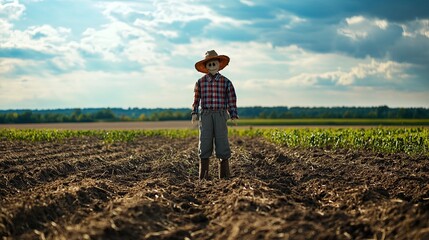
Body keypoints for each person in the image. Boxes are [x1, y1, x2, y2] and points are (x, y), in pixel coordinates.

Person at [192, 50, 238, 180]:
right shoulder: (200, 82)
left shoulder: (226, 82)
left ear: (219, 65)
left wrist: (233, 113)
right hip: (205, 114)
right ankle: (203, 176)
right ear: (206, 67)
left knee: (222, 141)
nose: (212, 66)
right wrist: (194, 112)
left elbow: (231, 99)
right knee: (205, 141)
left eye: (214, 64)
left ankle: (224, 176)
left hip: (220, 114)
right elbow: (196, 98)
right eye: (209, 65)